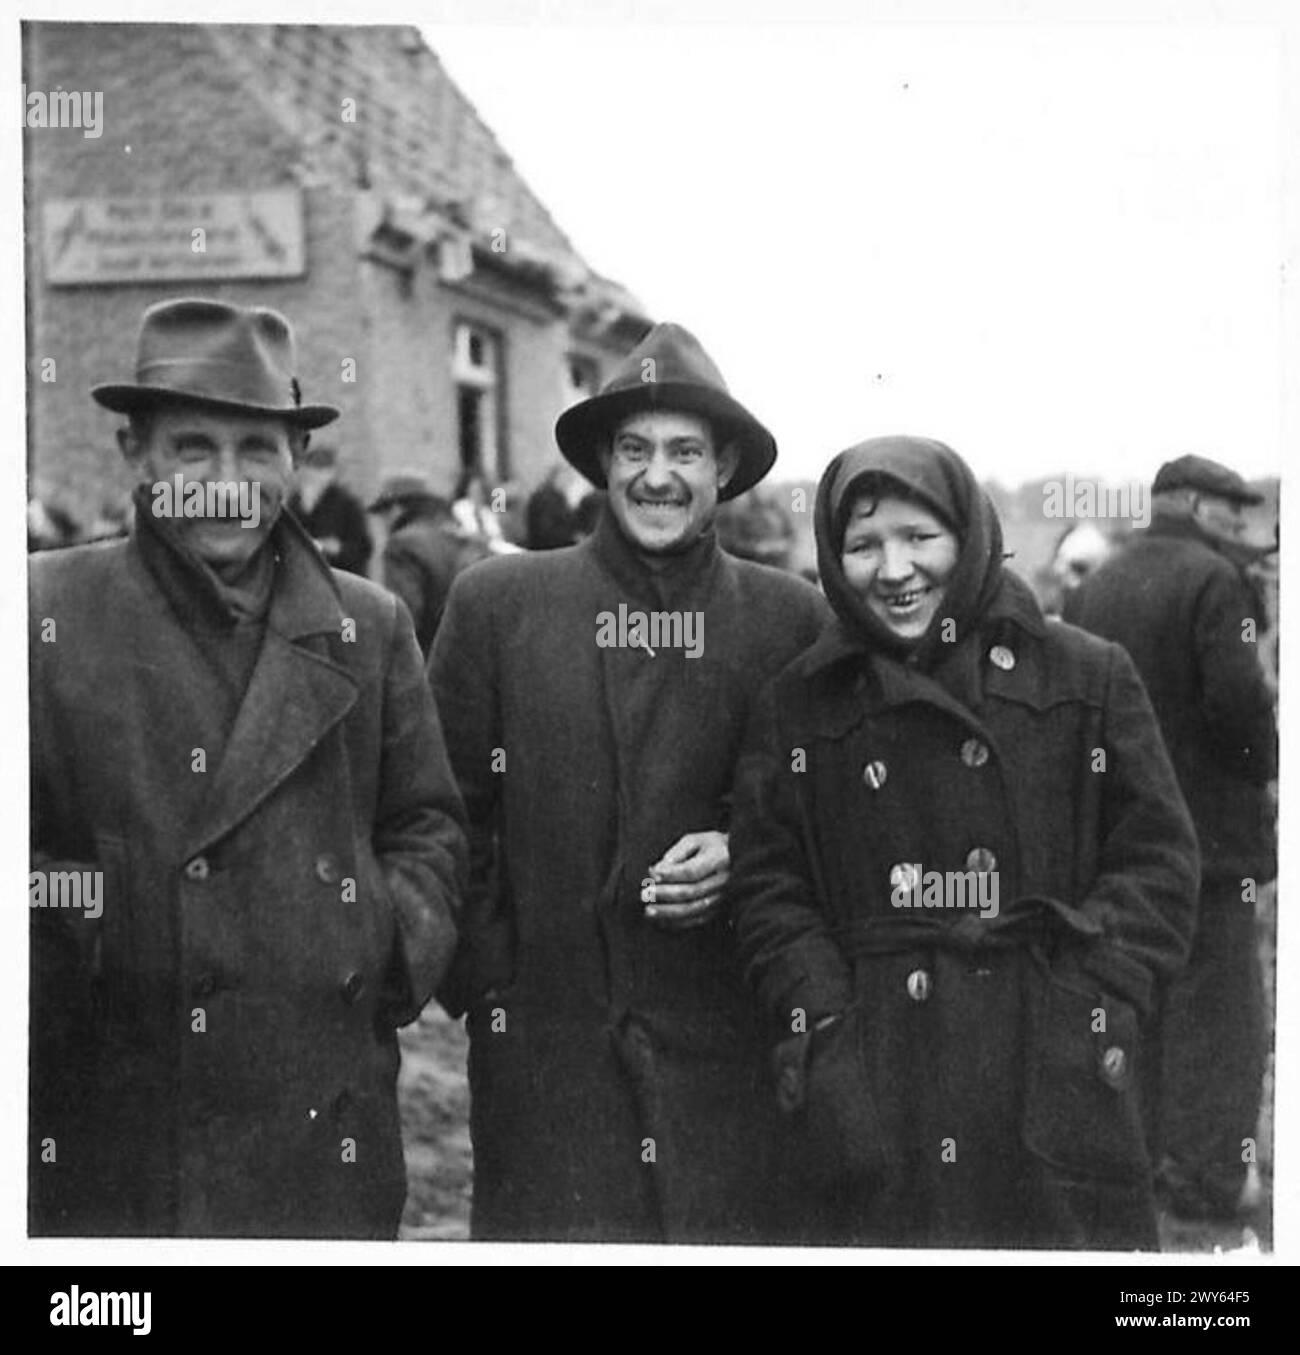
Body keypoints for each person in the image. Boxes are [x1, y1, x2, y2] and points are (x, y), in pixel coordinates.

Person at [29, 298, 467, 1238]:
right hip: (118, 1117)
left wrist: (376, 940)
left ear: (295, 464)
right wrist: (98, 932)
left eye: (257, 450)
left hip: (322, 1118)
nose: (226, 483)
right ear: (135, 455)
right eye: (193, 448)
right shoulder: (43, 613)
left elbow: (428, 825)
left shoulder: (370, 624)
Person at [727, 435, 1198, 1248]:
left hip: (1049, 1063)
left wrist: (1088, 997)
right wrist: (828, 1024)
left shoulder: (1086, 674)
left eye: (920, 537)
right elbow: (770, 884)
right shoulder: (799, 702)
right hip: (880, 1071)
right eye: (864, 544)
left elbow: (1159, 860)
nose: (894, 568)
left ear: (969, 537)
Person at [429, 322, 830, 1242]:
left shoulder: (787, 619)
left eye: (686, 451)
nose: (659, 475)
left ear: (725, 466)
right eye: (637, 448)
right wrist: (495, 985)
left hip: (725, 1053)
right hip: (548, 1061)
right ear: (604, 462)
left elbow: (817, 813)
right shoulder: (501, 605)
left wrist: (741, 849)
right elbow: (446, 814)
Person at [1063, 453, 1277, 1222]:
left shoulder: (1097, 582)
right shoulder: (1217, 580)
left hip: (1121, 834)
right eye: (1230, 506)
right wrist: (1269, 761)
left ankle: (1144, 1155)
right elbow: (1239, 706)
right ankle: (1213, 1174)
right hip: (1213, 841)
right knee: (1221, 1012)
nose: (1240, 522)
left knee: (1140, 996)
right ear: (1190, 502)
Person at [369, 472, 491, 656]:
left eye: (383, 514)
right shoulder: (468, 539)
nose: (382, 523)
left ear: (396, 509)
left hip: (430, 658)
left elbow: (405, 618)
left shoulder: (402, 545)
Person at [287, 442, 373, 576]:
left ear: (332, 473)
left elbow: (363, 548)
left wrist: (337, 549)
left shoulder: (347, 503)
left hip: (343, 576)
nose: (314, 475)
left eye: (320, 470)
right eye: (311, 469)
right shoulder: (295, 501)